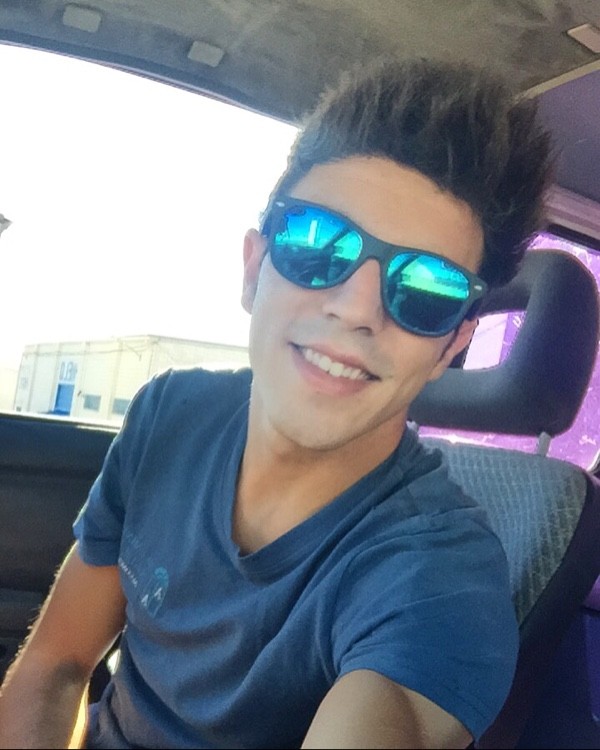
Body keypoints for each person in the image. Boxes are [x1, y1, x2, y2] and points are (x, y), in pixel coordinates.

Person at [0, 56, 552, 749]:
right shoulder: (171, 414)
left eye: (428, 288)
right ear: (253, 267)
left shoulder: (440, 578)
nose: (356, 308)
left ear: (451, 347)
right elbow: (56, 662)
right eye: (317, 243)